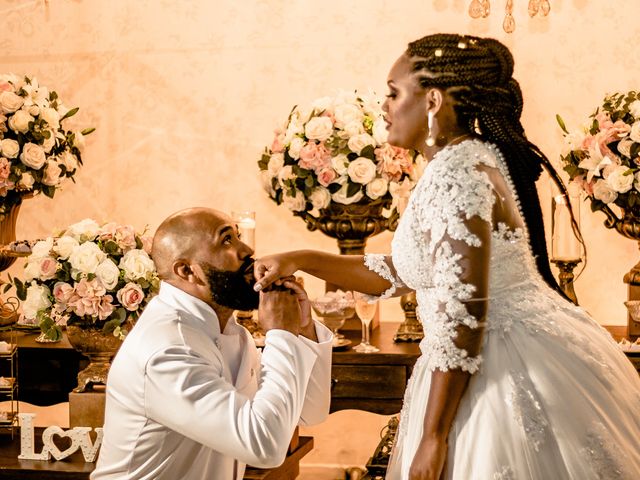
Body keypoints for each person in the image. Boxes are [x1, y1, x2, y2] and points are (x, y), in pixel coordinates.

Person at [253, 34, 640, 479]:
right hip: (515, 347)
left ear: (433, 101)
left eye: (394, 93)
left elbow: (464, 313)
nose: (384, 105)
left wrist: (433, 436)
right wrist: (301, 258)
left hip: (498, 369)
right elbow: (402, 273)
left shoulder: (455, 174)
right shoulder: (469, 159)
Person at [91, 207, 332, 480]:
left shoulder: (232, 332)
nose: (247, 250)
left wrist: (301, 330)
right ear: (187, 271)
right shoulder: (166, 349)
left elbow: (309, 413)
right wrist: (281, 335)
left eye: (238, 236)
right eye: (227, 240)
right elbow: (265, 446)